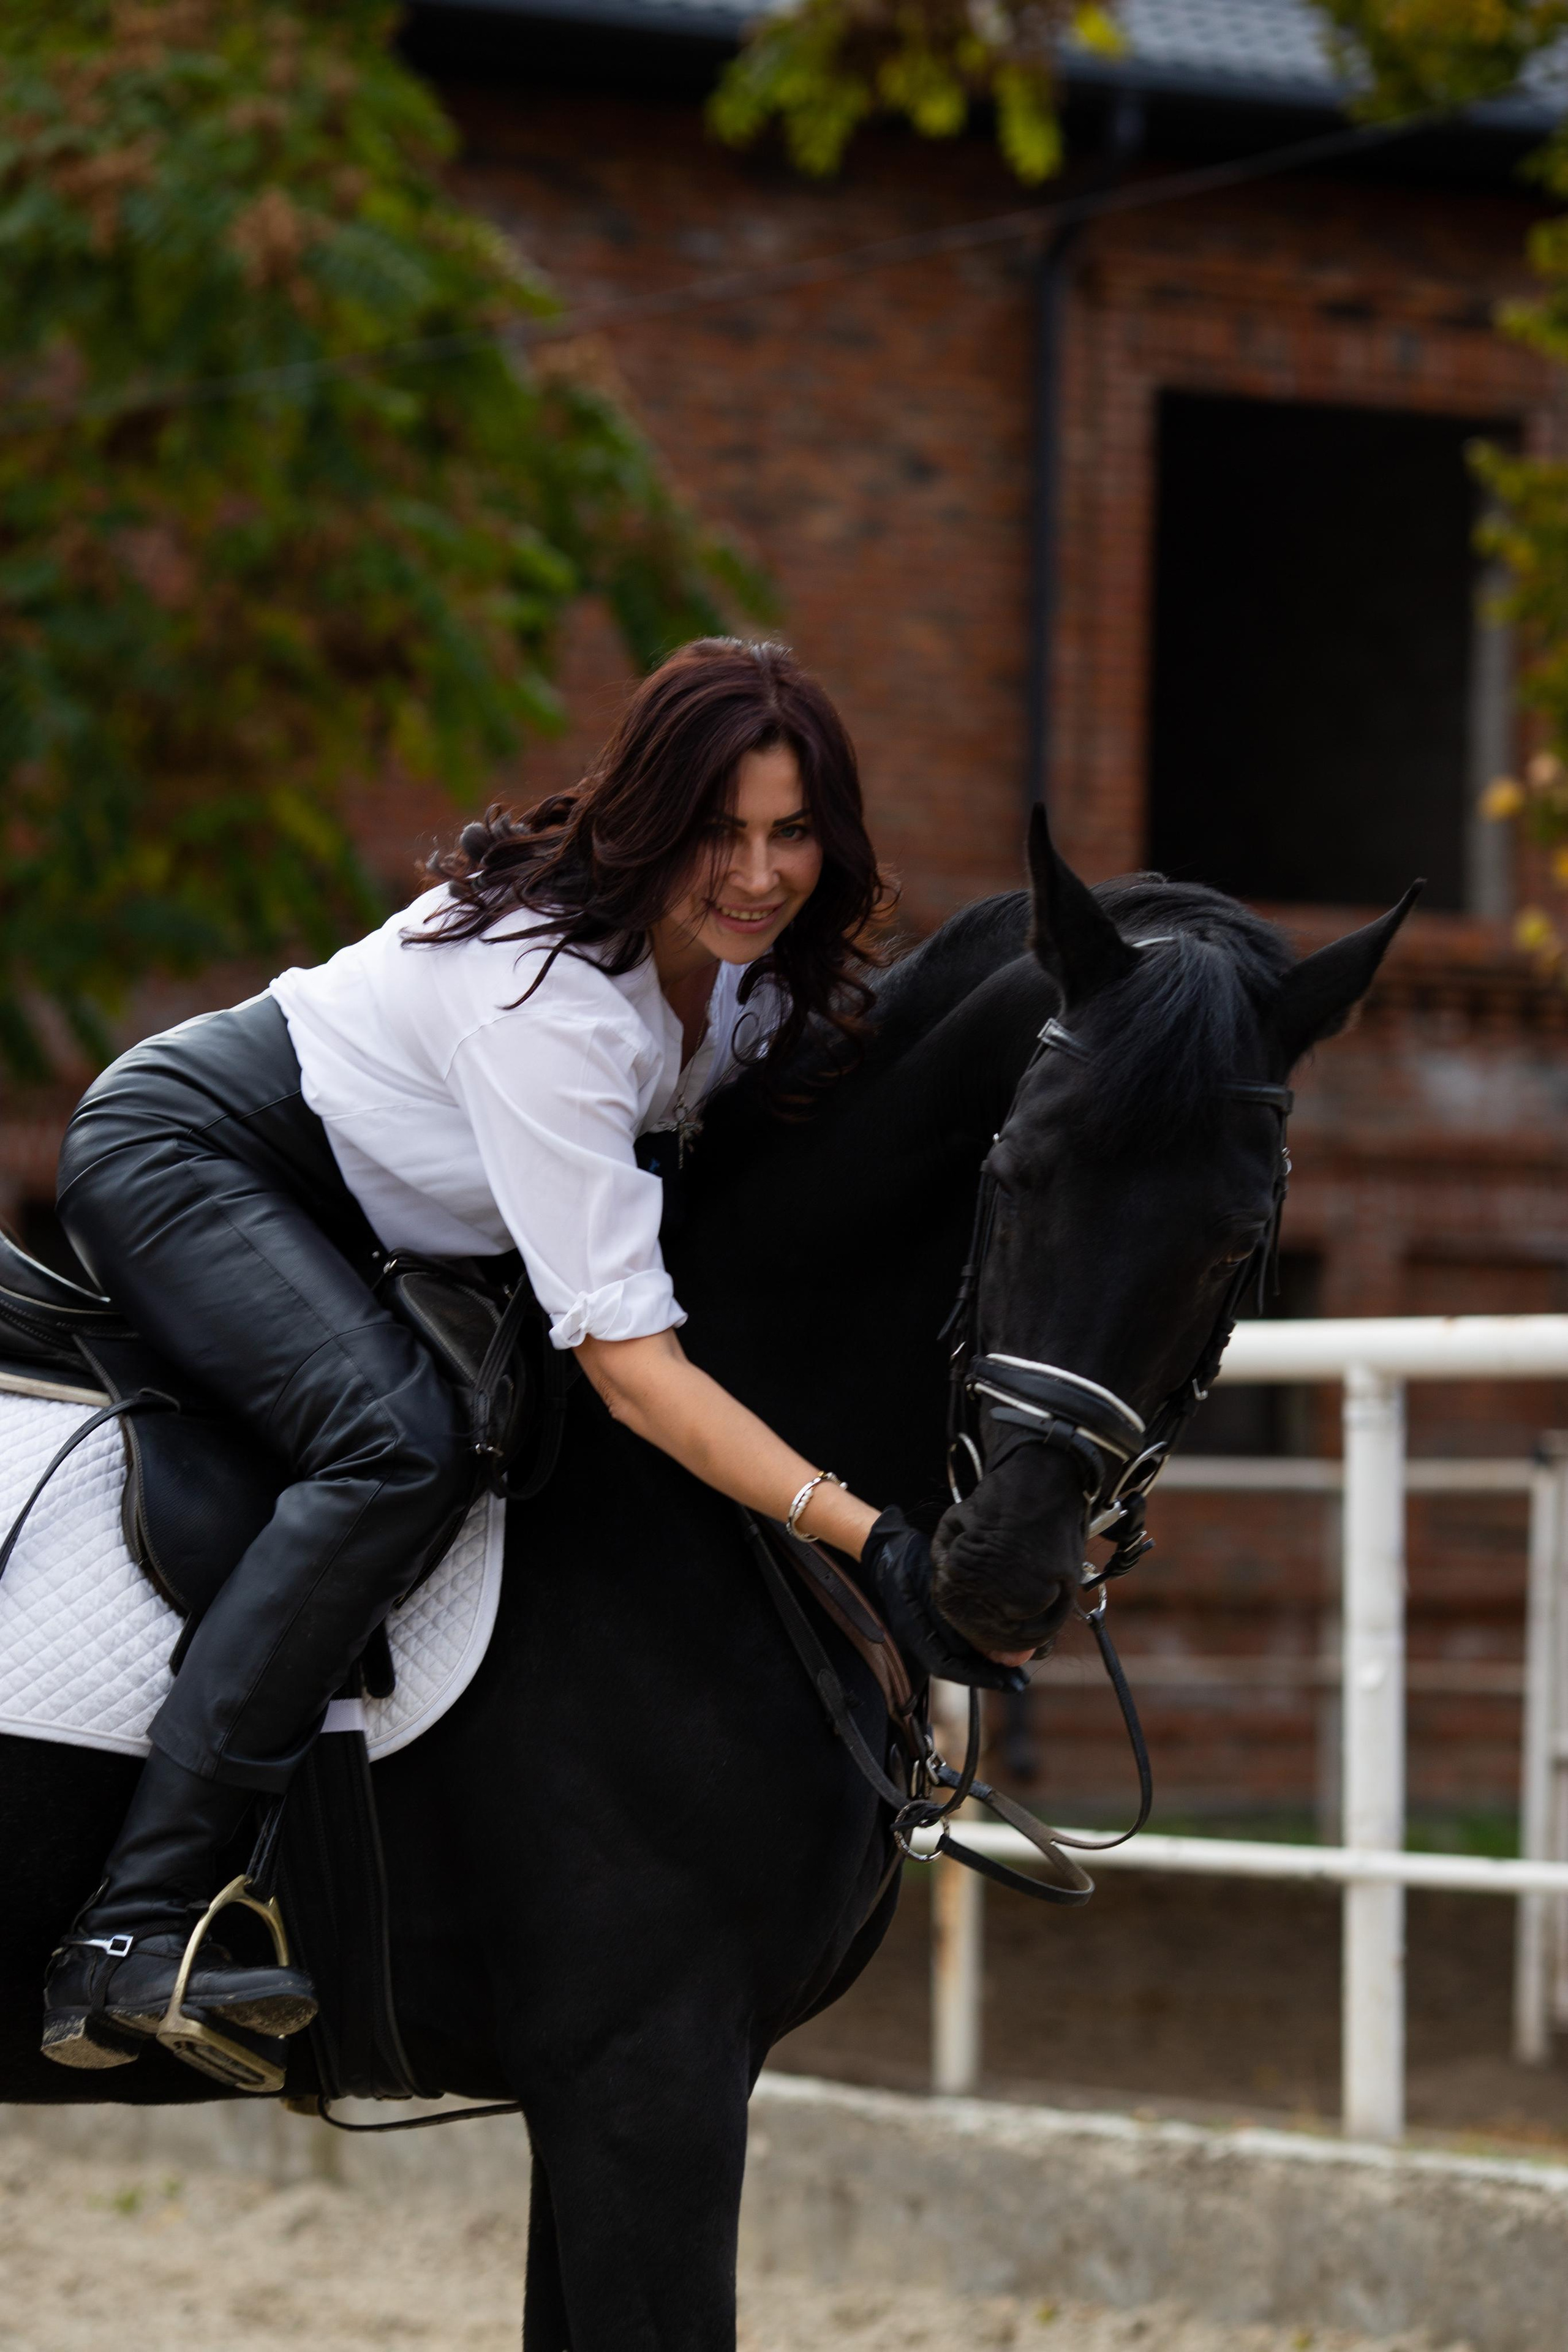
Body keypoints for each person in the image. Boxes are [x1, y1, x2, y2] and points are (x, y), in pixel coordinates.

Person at [40, 638, 1020, 2081]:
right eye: (717, 833)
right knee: (398, 1447)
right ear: (651, 818)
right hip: (190, 1156)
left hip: (381, 1212)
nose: (755, 874)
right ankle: (131, 1927)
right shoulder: (550, 1003)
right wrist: (870, 1538)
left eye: (790, 832)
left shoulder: (748, 983)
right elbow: (634, 1369)